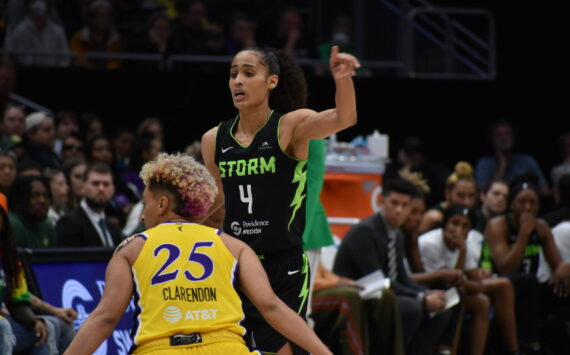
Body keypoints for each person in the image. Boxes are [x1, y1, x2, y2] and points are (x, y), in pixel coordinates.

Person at [63, 152, 332, 355]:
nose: (143, 216)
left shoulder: (131, 248)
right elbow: (271, 307)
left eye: (145, 204)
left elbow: (105, 318)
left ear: (162, 204)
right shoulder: (234, 246)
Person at [200, 44, 358, 354]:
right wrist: (168, 224)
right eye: (233, 74)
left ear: (272, 81)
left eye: (248, 74)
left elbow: (344, 118)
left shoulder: (291, 126)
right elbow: (215, 204)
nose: (238, 82)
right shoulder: (213, 139)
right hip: (237, 265)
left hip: (282, 264)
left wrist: (342, 78)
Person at [333, 177, 453, 355]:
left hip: (385, 292)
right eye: (394, 203)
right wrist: (420, 297)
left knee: (443, 305)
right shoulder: (365, 232)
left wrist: (427, 294)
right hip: (358, 295)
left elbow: (401, 278)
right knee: (411, 307)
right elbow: (378, 280)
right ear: (382, 201)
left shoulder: (397, 235)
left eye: (405, 206)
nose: (398, 210)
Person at [482, 177, 570, 353]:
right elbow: (505, 269)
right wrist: (524, 234)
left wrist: (565, 267)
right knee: (528, 282)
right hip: (499, 286)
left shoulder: (542, 227)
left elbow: (557, 266)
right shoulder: (497, 226)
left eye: (533, 203)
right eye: (522, 202)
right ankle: (532, 345)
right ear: (511, 204)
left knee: (559, 287)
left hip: (531, 290)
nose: (527, 208)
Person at [418, 205, 520, 355]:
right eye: (455, 223)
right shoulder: (430, 243)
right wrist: (462, 252)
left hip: (454, 290)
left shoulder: (468, 241)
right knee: (460, 295)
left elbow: (473, 277)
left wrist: (481, 273)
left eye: (465, 226)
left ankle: (511, 350)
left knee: (482, 301)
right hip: (429, 291)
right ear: (445, 224)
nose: (459, 230)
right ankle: (448, 349)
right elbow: (451, 280)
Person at [0, 203, 49, 355]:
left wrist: (34, 321)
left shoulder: (11, 260)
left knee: (46, 328)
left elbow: (18, 302)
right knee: (4, 326)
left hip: (6, 318)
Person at [56, 162, 122, 247]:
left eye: (106, 184)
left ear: (113, 189)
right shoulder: (68, 223)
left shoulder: (113, 228)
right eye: (95, 183)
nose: (101, 189)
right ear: (83, 187)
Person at [475, 120, 549, 195]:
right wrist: (503, 165)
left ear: (514, 137)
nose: (503, 138)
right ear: (491, 139)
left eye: (507, 134)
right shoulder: (484, 164)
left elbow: (545, 191)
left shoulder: (527, 161)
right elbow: (483, 194)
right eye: (498, 135)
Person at [3, 0, 69, 67]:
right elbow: (9, 58)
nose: (38, 3)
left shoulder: (58, 33)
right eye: (34, 1)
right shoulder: (19, 32)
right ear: (29, 4)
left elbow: (64, 60)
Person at [418, 161, 477, 234]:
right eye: (461, 195)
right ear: (448, 193)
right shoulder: (434, 218)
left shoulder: (472, 216)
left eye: (471, 196)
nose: (466, 201)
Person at [7, 175, 55, 248]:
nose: (42, 200)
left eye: (45, 195)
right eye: (35, 195)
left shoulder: (47, 226)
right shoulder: (12, 225)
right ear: (21, 199)